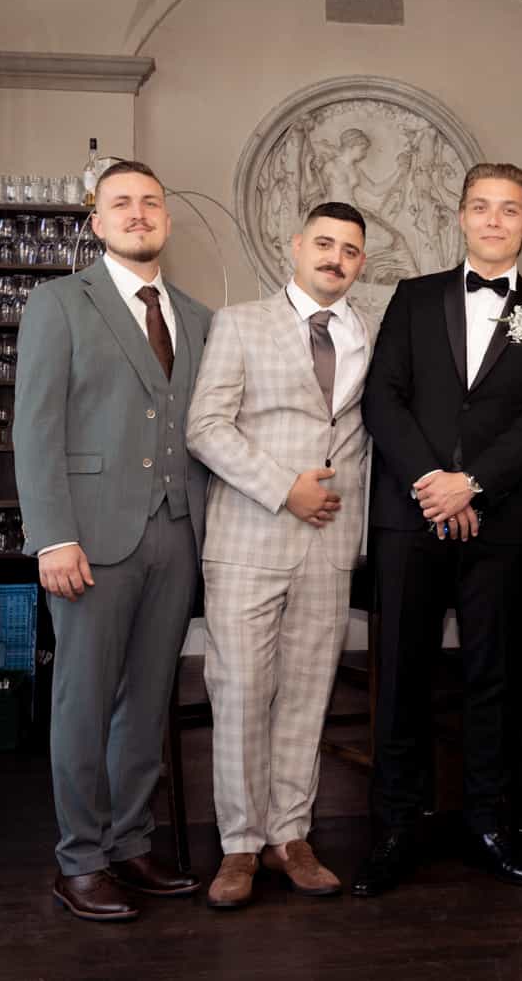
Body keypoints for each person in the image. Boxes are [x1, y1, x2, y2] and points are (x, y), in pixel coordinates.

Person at [354, 162, 522, 897]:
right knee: (400, 676)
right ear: (460, 216)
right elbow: (382, 398)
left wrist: (473, 483)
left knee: (496, 678)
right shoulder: (412, 299)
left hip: (499, 518)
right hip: (409, 517)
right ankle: (392, 828)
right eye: (481, 207)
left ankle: (492, 822)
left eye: (509, 209)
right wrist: (434, 486)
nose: (493, 220)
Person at [14, 160, 212, 922]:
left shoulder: (197, 317)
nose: (138, 213)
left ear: (167, 219)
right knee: (84, 698)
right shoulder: (60, 304)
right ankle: (80, 857)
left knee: (148, 700)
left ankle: (131, 842)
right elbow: (36, 430)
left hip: (176, 532)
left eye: (151, 202)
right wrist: (53, 536)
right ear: (95, 223)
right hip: (89, 540)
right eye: (121, 203)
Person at [185, 202, 380, 908]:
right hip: (248, 539)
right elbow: (205, 426)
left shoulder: (368, 334)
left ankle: (290, 836)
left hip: (329, 547)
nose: (335, 257)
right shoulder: (239, 323)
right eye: (323, 243)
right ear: (294, 247)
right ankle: (238, 845)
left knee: (307, 695)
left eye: (350, 250)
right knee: (239, 691)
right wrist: (282, 488)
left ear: (362, 262)